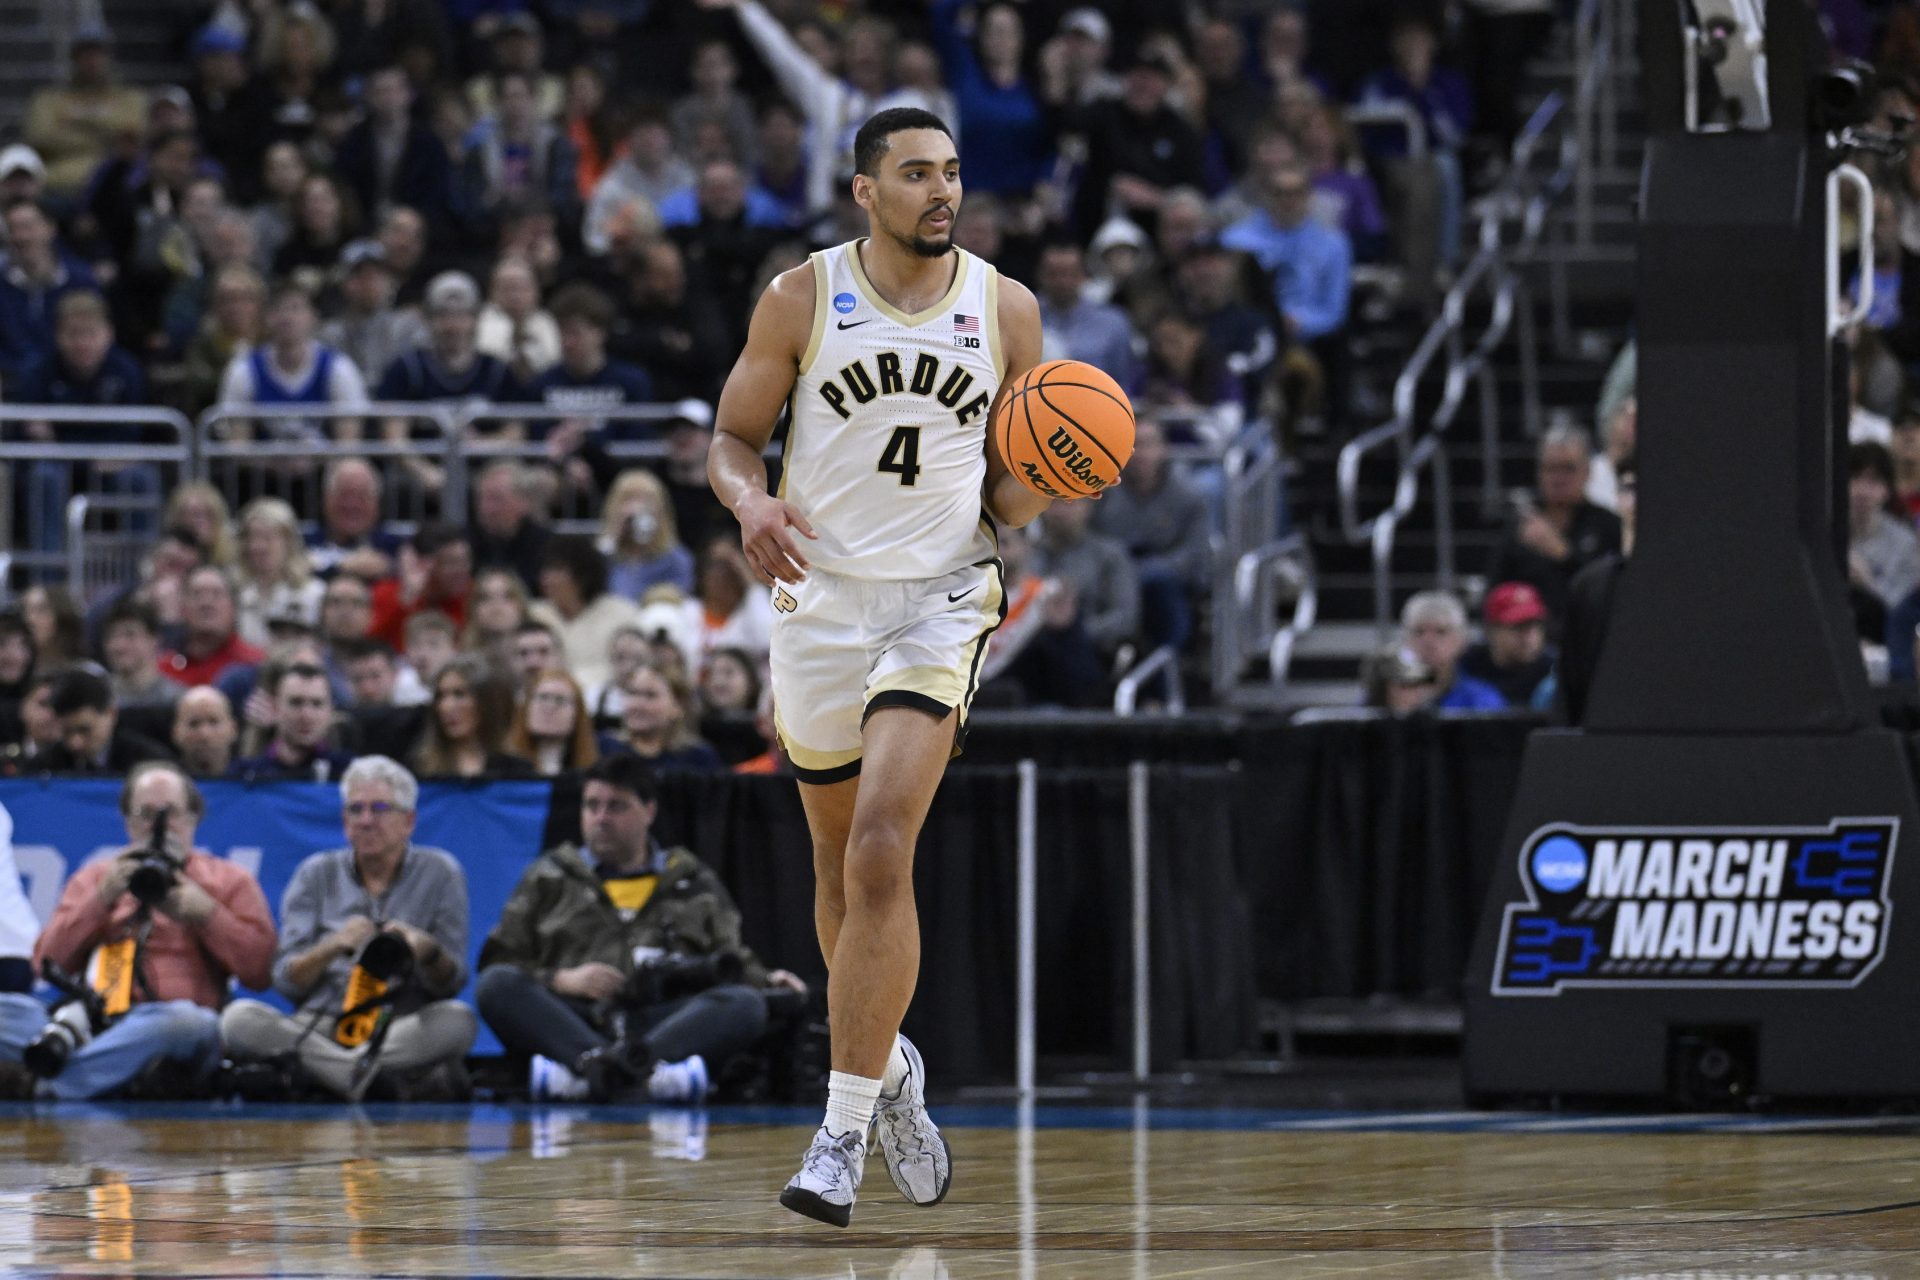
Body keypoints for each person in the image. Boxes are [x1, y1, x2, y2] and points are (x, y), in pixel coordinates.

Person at [707, 107, 1068, 1225]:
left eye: (952, 171)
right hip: (820, 597)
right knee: (833, 865)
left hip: (942, 597)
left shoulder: (1005, 307)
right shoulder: (803, 296)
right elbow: (729, 440)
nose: (940, 190)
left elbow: (1010, 491)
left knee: (879, 846)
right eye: (916, 174)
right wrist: (750, 499)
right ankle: (892, 1066)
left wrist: (1058, 475)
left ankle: (842, 1127)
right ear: (866, 191)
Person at [475, 754, 803, 1103]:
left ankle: (594, 1075)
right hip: (575, 1019)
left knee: (744, 1003)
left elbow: (729, 959)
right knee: (496, 986)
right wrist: (562, 979)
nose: (600, 819)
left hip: (661, 1022)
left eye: (616, 807)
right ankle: (632, 1074)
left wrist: (768, 980)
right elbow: (500, 963)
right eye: (592, 806)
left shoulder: (690, 879)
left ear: (649, 811)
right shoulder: (549, 875)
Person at [0, 763, 274, 1099]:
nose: (158, 827)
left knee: (187, 1022)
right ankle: (100, 1075)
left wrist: (207, 915)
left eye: (169, 813)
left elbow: (260, 972)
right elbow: (46, 964)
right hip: (94, 1023)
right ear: (127, 822)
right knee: (10, 1011)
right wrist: (101, 901)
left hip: (176, 1026)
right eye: (145, 814)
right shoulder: (97, 878)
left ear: (193, 818)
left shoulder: (228, 880)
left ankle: (51, 1084)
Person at [220, 756, 475, 1100]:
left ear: (409, 821)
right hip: (323, 1023)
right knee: (238, 1019)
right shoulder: (315, 874)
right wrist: (334, 945)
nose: (366, 820)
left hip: (397, 1026)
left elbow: (451, 983)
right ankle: (357, 1074)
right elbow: (286, 980)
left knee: (459, 1021)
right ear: (344, 821)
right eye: (356, 810)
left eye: (380, 808)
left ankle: (330, 1074)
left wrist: (424, 949)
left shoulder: (441, 872)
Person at [1484, 427, 1625, 625]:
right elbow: (1495, 593)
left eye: (1568, 468)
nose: (1558, 478)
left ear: (1588, 472)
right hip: (1533, 642)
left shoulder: (1608, 525)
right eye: (1550, 468)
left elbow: (1612, 591)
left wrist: (1563, 554)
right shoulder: (1519, 527)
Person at [531, 536, 642, 691]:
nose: (546, 579)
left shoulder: (622, 613)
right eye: (545, 570)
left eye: (556, 570)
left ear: (582, 575)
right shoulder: (534, 614)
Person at [227, 662, 354, 782]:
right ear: (275, 707)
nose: (306, 715)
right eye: (296, 702)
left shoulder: (349, 773)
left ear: (330, 711)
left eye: (317, 704)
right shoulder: (243, 775)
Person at [411, 654, 528, 778]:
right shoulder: (419, 767)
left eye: (459, 694)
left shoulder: (517, 771)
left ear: (486, 702)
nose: (445, 706)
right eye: (440, 696)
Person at [44, 667, 175, 774]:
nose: (75, 743)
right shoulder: (43, 768)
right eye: (66, 732)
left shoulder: (152, 766)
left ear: (111, 714)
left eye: (85, 730)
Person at [235, 498, 328, 648]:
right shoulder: (236, 593)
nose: (259, 546)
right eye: (253, 537)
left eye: (268, 537)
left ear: (289, 542)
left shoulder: (314, 593)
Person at [607, 661, 724, 773]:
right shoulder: (604, 747)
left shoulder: (699, 758)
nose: (637, 704)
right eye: (632, 693)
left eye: (650, 695)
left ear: (678, 706)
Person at [1398, 591, 1506, 711]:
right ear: (1406, 640)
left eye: (1441, 632)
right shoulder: (1388, 697)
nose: (1428, 642)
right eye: (1419, 632)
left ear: (1461, 640)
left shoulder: (1481, 699)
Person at [159, 565, 266, 687]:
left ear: (233, 607)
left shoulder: (255, 665)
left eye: (217, 594)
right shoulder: (164, 670)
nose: (206, 603)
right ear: (182, 608)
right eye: (197, 594)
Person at [600, 469, 697, 600]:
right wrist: (615, 535)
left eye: (646, 500)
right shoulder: (603, 556)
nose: (636, 508)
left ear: (661, 511)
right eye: (627, 499)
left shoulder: (676, 559)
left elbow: (680, 598)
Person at [1459, 582, 1555, 710]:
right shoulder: (1467, 667)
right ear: (1491, 630)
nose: (1529, 636)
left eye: (1536, 625)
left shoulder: (1554, 669)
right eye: (1519, 626)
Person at [505, 668, 600, 777]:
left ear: (577, 713)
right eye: (542, 697)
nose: (549, 707)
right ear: (526, 708)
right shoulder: (503, 767)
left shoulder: (593, 770)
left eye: (560, 700)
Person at [101, 599, 181, 711]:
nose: (119, 645)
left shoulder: (178, 701)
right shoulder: (97, 702)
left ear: (154, 640)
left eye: (130, 634)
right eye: (112, 636)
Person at [171, 686, 239, 777]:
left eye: (214, 722)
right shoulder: (163, 783)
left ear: (233, 729)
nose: (204, 735)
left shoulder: (259, 779)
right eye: (193, 724)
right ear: (176, 732)